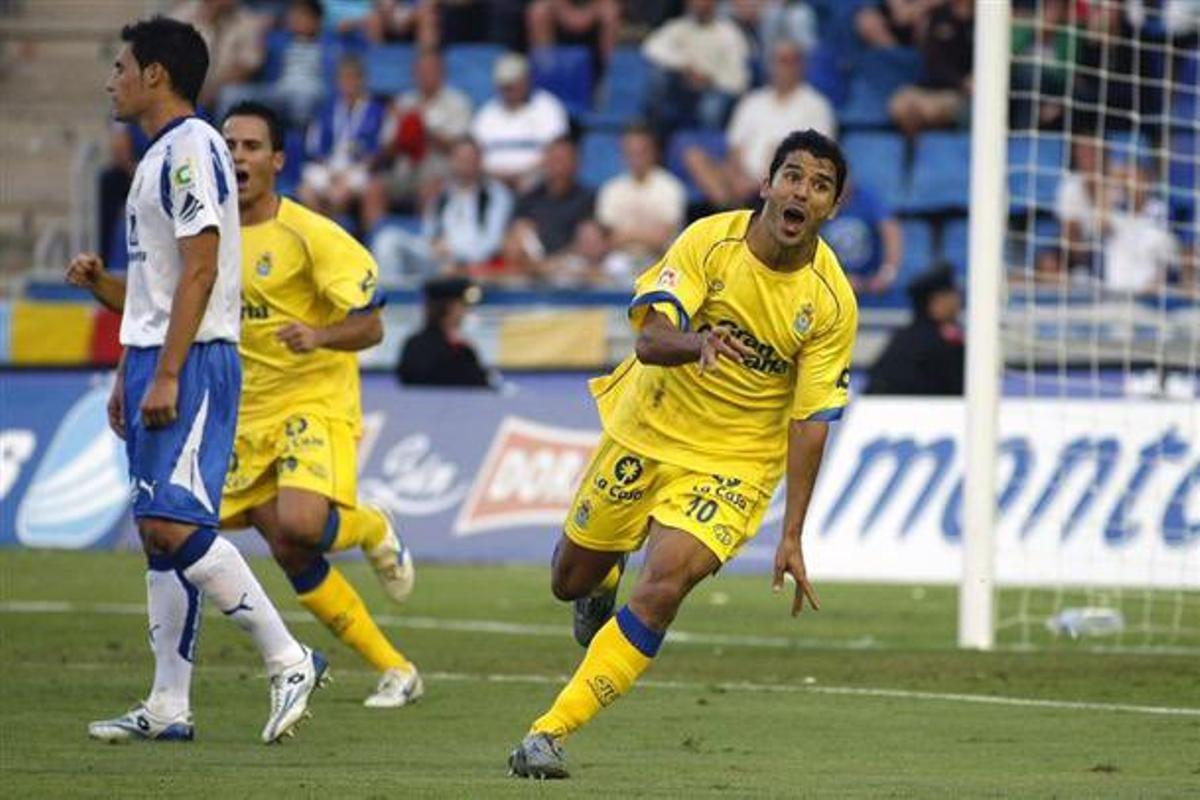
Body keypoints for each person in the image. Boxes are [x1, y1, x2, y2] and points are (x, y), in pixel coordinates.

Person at [506, 129, 858, 779]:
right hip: (649, 427)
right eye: (793, 176)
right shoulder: (707, 242)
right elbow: (650, 339)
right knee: (569, 579)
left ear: (832, 208)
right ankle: (601, 578)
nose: (802, 191)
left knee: (664, 585)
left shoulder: (831, 302)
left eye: (819, 184)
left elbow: (811, 420)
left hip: (735, 464)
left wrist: (792, 533)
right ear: (767, 185)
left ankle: (548, 733)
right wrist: (697, 345)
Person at [65, 16, 325, 744]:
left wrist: (170, 371)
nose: (110, 80)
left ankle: (290, 656)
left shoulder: (192, 151)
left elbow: (203, 269)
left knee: (173, 524)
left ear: (156, 75)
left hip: (197, 358)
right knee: (157, 537)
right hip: (154, 356)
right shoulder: (154, 160)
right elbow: (156, 289)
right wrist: (126, 360)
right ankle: (168, 706)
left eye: (120, 66)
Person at [221, 101, 422, 707]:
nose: (237, 157)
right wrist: (100, 283)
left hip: (314, 397)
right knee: (288, 547)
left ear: (276, 160)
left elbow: (372, 327)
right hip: (244, 412)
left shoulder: (311, 235)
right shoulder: (207, 234)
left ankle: (372, 524)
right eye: (228, 145)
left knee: (304, 524)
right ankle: (397, 670)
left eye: (251, 146)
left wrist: (318, 335)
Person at [684, 39, 836, 209]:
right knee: (694, 156)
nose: (783, 68)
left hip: (786, 180)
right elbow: (735, 150)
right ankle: (732, 209)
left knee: (780, 150)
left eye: (789, 62)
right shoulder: (752, 101)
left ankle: (748, 209)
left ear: (801, 66)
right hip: (742, 179)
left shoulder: (816, 105)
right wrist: (739, 177)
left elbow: (819, 156)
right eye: (778, 61)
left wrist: (764, 178)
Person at [362, 47, 474, 228]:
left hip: (439, 172)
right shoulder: (404, 102)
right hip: (404, 172)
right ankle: (374, 242)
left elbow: (461, 148)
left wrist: (423, 127)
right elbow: (386, 150)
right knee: (373, 188)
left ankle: (423, 245)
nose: (425, 76)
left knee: (431, 188)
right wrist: (402, 129)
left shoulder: (456, 103)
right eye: (420, 71)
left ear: (442, 73)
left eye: (430, 71)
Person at [299, 55, 387, 225]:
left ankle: (334, 239)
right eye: (344, 78)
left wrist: (348, 173)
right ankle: (319, 240)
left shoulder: (376, 112)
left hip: (359, 169)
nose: (349, 83)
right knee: (305, 192)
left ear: (362, 80)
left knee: (341, 194)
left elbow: (378, 150)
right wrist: (332, 172)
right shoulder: (327, 110)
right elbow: (315, 147)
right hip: (329, 168)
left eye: (353, 78)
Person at [642, 0, 750, 136]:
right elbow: (651, 48)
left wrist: (710, 80)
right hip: (682, 85)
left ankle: (706, 146)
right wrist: (685, 67)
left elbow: (738, 78)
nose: (698, 6)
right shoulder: (678, 27)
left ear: (713, 4)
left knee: (711, 107)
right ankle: (656, 138)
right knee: (657, 76)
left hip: (714, 88)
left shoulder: (729, 33)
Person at [595, 123, 687, 281]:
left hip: (661, 261)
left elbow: (662, 238)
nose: (636, 158)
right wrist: (644, 235)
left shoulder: (670, 188)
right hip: (620, 261)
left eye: (642, 152)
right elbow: (606, 240)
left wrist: (627, 235)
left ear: (654, 152)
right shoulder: (611, 189)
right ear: (623, 154)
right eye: (630, 152)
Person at [216, 0, 326, 127]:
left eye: (302, 16)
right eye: (294, 15)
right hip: (279, 91)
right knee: (229, 94)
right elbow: (256, 61)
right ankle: (221, 140)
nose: (296, 19)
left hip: (309, 92)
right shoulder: (277, 40)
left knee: (303, 100)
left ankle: (305, 143)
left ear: (316, 21)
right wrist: (261, 34)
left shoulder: (330, 46)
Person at [502, 137, 595, 282]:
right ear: (545, 162)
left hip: (573, 267)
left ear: (576, 163)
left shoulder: (588, 198)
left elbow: (590, 242)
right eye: (554, 159)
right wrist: (539, 264)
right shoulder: (528, 198)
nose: (558, 165)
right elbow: (512, 240)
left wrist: (555, 262)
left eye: (564, 160)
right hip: (532, 267)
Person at [470, 52, 569, 189]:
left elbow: (557, 152)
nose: (508, 90)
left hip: (537, 180)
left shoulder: (547, 107)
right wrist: (498, 177)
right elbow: (475, 153)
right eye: (504, 86)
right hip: (492, 182)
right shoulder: (486, 113)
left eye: (512, 85)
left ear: (526, 81)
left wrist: (523, 175)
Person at [865, 263, 963, 395]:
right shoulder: (945, 345)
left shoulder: (902, 338)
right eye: (951, 295)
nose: (957, 300)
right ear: (935, 303)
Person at [422, 137, 514, 277]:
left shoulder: (496, 195)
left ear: (480, 161)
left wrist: (454, 251)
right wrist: (435, 247)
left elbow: (492, 242)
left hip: (474, 265)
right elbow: (429, 233)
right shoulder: (442, 195)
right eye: (460, 159)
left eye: (470, 159)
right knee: (389, 241)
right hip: (437, 261)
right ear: (452, 161)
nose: (465, 164)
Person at [888, 0, 974, 138]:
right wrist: (960, 80)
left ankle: (938, 147)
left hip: (961, 93)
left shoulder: (986, 19)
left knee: (938, 107)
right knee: (900, 104)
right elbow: (933, 61)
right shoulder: (937, 15)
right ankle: (913, 153)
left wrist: (968, 82)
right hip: (934, 86)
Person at [170, 0, 266, 111]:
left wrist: (213, 90)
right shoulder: (184, 14)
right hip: (184, 86)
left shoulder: (248, 21)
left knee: (229, 95)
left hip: (221, 90)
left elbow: (247, 66)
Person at [397, 277, 491, 386]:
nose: (465, 312)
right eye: (462, 306)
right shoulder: (460, 352)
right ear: (449, 308)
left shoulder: (413, 345)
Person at [820, 177, 902, 295]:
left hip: (869, 283)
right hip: (828, 285)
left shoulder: (869, 201)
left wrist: (886, 275)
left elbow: (891, 230)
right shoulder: (818, 204)